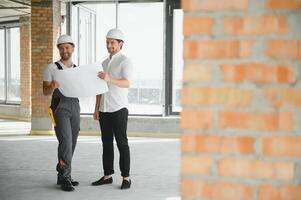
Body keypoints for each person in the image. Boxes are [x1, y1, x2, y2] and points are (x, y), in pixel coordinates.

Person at [92, 28, 133, 190]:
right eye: (107, 42)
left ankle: (126, 177)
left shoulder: (125, 61)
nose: (109, 45)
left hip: (119, 108)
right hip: (104, 109)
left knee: (122, 143)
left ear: (120, 44)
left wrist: (109, 78)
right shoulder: (103, 63)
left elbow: (127, 82)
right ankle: (107, 175)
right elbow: (99, 88)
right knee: (106, 143)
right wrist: (96, 109)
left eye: (112, 42)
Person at [43, 35, 80, 192]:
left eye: (67, 47)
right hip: (59, 106)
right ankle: (65, 177)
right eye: (61, 48)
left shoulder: (77, 69)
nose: (64, 50)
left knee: (72, 141)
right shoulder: (51, 68)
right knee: (65, 140)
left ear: (72, 49)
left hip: (75, 105)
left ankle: (62, 171)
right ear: (58, 49)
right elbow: (45, 91)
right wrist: (51, 85)